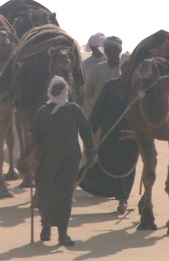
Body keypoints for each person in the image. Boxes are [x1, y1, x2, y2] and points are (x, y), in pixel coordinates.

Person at [28, 75, 97, 246]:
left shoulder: (74, 110)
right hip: (46, 161)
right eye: (55, 88)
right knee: (45, 195)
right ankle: (46, 227)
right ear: (50, 90)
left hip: (69, 161)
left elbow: (86, 133)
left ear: (66, 90)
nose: (58, 91)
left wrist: (91, 152)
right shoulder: (42, 111)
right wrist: (29, 148)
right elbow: (33, 134)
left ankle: (63, 233)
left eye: (60, 88)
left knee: (65, 196)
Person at [78, 59, 138, 214]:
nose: (128, 71)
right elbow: (98, 113)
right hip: (110, 136)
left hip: (132, 138)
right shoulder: (110, 86)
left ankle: (123, 200)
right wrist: (89, 134)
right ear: (121, 69)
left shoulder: (139, 90)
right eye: (125, 68)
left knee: (128, 169)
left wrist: (141, 134)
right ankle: (121, 199)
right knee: (110, 166)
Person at [83, 36, 123, 117]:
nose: (112, 53)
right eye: (109, 51)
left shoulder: (126, 68)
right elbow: (88, 92)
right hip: (97, 113)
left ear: (120, 50)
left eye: (115, 50)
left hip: (119, 114)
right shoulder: (98, 69)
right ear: (105, 51)